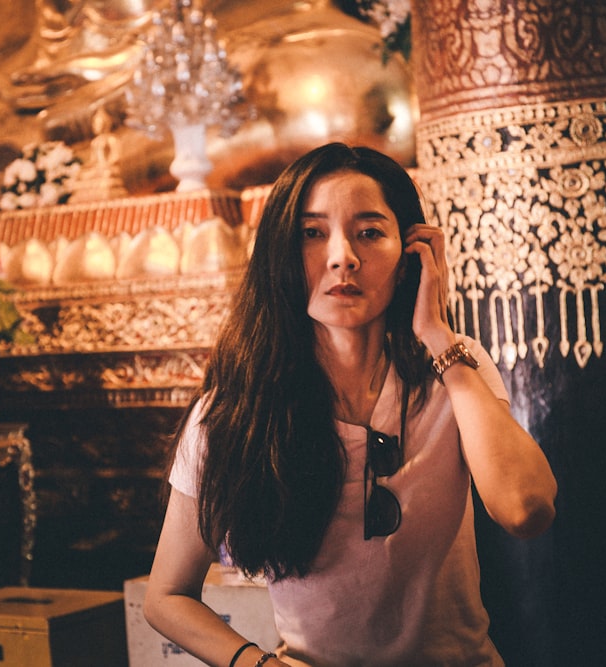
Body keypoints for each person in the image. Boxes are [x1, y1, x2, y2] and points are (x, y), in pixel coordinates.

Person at [144, 142, 557, 667]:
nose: (343, 257)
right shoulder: (236, 410)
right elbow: (167, 596)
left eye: (369, 232)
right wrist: (258, 665)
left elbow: (527, 508)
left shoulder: (453, 367)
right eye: (312, 234)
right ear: (280, 256)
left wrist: (436, 335)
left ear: (411, 256)